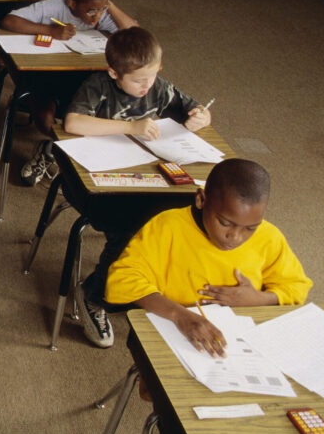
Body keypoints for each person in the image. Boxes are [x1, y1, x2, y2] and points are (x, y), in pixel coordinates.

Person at [63, 27, 213, 348]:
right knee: (130, 229)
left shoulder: (157, 88)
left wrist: (202, 117)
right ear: (114, 73)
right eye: (138, 80)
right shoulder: (98, 87)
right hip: (95, 184)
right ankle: (95, 295)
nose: (147, 86)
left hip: (142, 176)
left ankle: (148, 285)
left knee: (185, 216)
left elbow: (193, 108)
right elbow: (73, 123)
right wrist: (131, 126)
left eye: (153, 75)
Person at [105, 159, 312, 357]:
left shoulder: (269, 236)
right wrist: (180, 315)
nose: (236, 237)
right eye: (224, 223)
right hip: (173, 330)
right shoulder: (168, 227)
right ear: (201, 199)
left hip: (241, 341)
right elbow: (121, 280)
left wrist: (261, 299)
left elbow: (296, 287)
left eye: (250, 228)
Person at [1, 0, 139, 186]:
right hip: (47, 76)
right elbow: (9, 21)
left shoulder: (101, 13)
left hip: (82, 79)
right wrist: (49, 30)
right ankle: (55, 149)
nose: (97, 17)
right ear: (72, 4)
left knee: (104, 114)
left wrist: (108, 6)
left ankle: (52, 151)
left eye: (101, 9)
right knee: (47, 121)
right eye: (91, 11)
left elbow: (135, 33)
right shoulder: (55, 6)